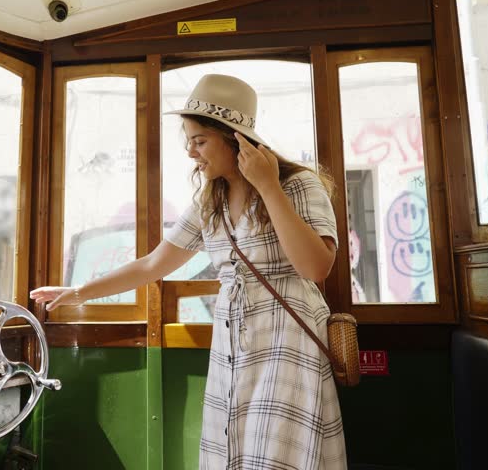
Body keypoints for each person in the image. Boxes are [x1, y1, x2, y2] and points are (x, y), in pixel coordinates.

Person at [30, 74, 346, 469]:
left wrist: (268, 187)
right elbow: (154, 263)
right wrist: (79, 291)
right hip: (233, 341)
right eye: (189, 142)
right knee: (234, 449)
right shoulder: (209, 200)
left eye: (199, 141)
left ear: (236, 139)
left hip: (287, 338)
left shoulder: (297, 185)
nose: (191, 153)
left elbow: (316, 266)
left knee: (279, 454)